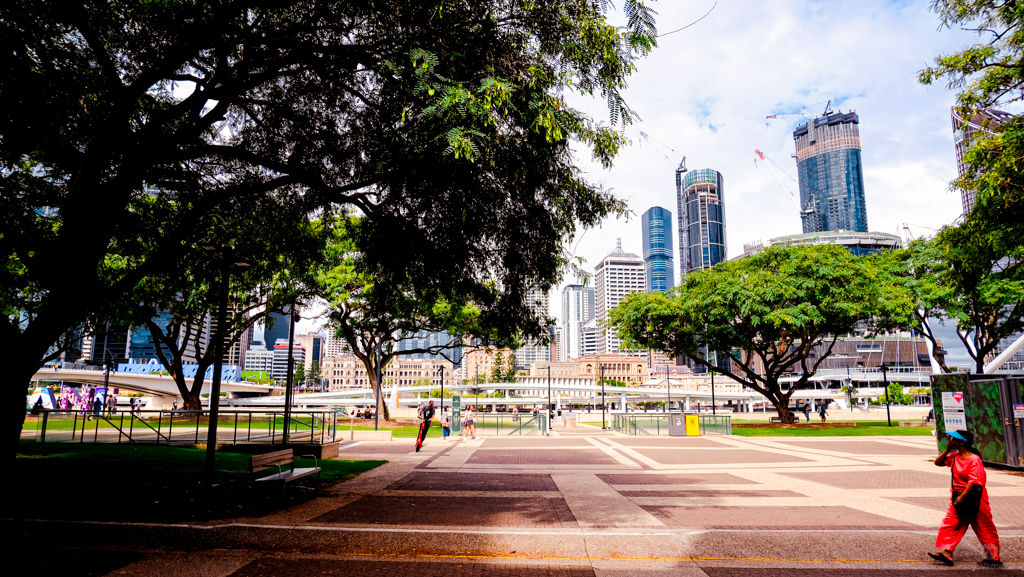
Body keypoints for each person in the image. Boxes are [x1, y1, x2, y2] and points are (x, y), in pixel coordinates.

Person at [929, 430, 1002, 567]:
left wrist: (963, 497)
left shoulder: (974, 459)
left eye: (954, 439)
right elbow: (938, 463)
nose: (951, 440)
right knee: (950, 525)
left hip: (975, 499)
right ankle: (947, 553)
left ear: (962, 442)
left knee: (984, 528)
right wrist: (947, 450)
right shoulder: (955, 456)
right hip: (957, 498)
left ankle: (993, 557)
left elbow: (974, 482)